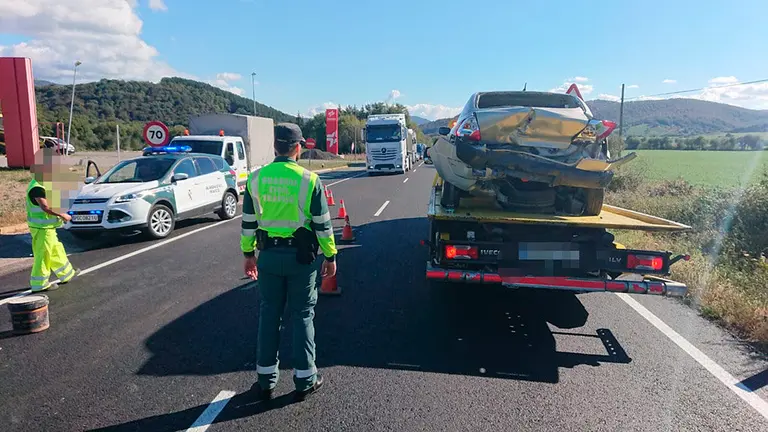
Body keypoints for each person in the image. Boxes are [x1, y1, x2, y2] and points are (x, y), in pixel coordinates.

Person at [241, 122, 337, 402]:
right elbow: (322, 224)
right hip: (301, 259)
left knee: (269, 314)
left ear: (275, 147)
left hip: (268, 255)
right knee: (303, 315)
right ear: (298, 147)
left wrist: (249, 255)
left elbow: (248, 223)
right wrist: (330, 256)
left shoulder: (256, 179)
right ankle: (305, 379)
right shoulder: (309, 180)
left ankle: (266, 380)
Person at [26, 148, 80, 292]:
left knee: (56, 250)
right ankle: (39, 284)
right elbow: (45, 207)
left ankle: (67, 273)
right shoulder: (37, 187)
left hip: (48, 228)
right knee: (43, 256)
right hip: (41, 229)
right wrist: (62, 215)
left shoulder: (43, 183)